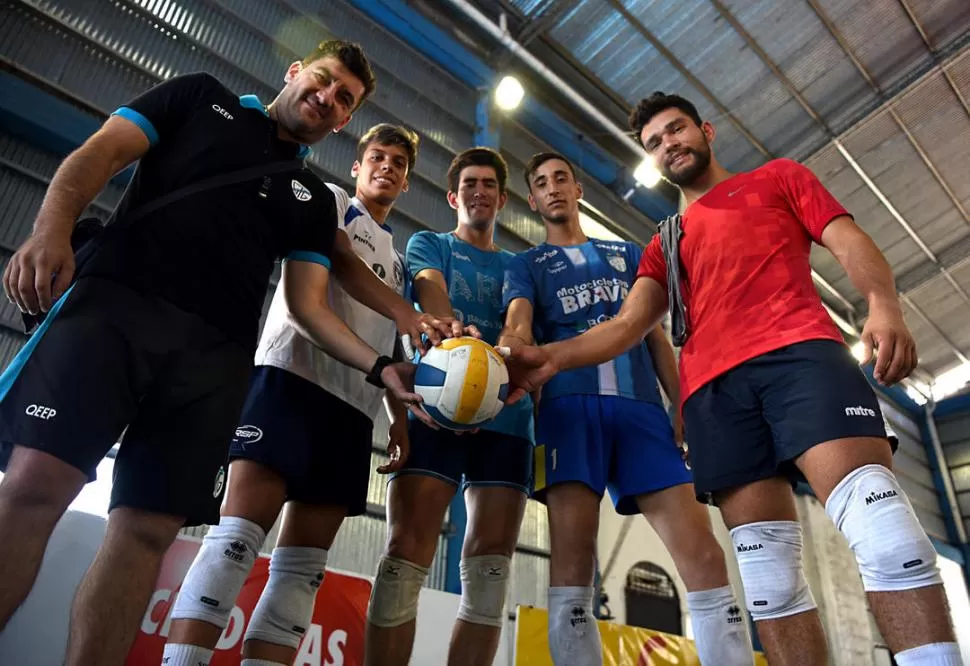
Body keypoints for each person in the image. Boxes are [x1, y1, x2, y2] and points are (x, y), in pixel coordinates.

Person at [0, 41, 458, 666]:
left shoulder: (309, 198)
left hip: (212, 365)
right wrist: (50, 229)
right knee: (34, 486)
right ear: (296, 73)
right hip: (114, 312)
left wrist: (384, 369)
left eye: (343, 99)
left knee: (147, 532)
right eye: (324, 82)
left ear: (343, 119)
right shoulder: (200, 97)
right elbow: (100, 152)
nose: (327, 98)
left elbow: (310, 304)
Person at [502, 92, 962, 666]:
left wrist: (882, 303)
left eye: (676, 130)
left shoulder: (779, 178)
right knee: (769, 580)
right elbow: (625, 327)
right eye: (654, 143)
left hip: (801, 359)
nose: (669, 144)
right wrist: (552, 358)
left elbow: (848, 239)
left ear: (707, 130)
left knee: (882, 528)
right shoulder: (662, 244)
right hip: (713, 397)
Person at [159, 123, 425, 666]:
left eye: (399, 164)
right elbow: (341, 264)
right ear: (357, 165)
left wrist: (398, 419)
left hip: (354, 410)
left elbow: (393, 345)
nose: (387, 168)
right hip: (288, 381)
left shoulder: (400, 265)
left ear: (406, 183)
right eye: (377, 156)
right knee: (234, 542)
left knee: (302, 573)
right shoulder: (330, 202)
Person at [501, 152, 751, 666]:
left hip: (643, 415)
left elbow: (656, 335)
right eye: (542, 183)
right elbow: (519, 321)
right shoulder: (525, 265)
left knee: (704, 554)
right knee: (573, 565)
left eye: (561, 178)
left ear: (578, 188)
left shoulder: (630, 254)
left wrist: (683, 403)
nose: (552, 188)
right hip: (568, 414)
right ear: (531, 199)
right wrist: (513, 343)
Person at [363, 148, 535, 666]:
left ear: (502, 199)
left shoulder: (518, 265)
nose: (479, 191)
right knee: (403, 555)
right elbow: (430, 293)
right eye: (470, 184)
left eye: (489, 185)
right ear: (452, 194)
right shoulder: (429, 244)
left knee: (490, 571)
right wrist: (452, 337)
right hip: (433, 409)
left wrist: (503, 349)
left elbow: (518, 322)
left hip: (506, 418)